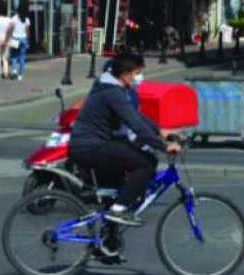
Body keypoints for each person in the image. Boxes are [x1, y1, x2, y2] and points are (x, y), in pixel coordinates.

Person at [69, 54, 180, 228]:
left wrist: (160, 131)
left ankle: (109, 246)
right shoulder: (113, 93)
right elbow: (135, 124)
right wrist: (164, 146)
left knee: (121, 185)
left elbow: (136, 116)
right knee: (147, 162)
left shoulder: (111, 88)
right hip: (91, 147)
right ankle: (119, 209)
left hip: (91, 144)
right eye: (137, 73)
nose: (138, 77)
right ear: (125, 74)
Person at [9, 9, 31, 81]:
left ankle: (14, 70)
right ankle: (20, 75)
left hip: (15, 38)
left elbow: (11, 29)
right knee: (22, 58)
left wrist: (9, 37)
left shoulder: (14, 19)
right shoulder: (26, 19)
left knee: (14, 55)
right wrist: (28, 41)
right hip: (23, 39)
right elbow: (27, 31)